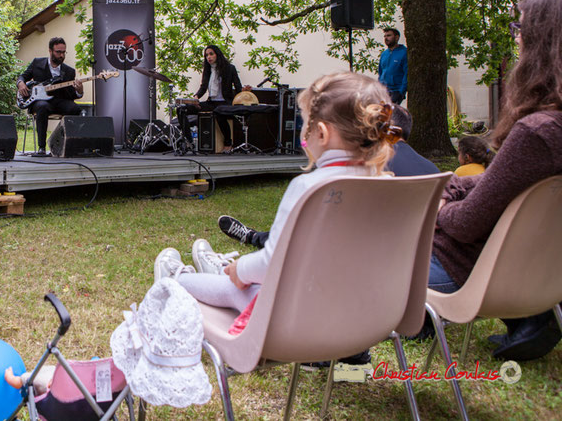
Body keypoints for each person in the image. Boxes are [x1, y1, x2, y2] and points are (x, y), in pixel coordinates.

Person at [154, 72, 398, 365]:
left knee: (234, 287)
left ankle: (179, 280)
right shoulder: (392, 188)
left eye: (304, 123)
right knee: (257, 283)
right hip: (368, 325)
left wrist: (242, 270)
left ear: (321, 133)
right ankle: (351, 369)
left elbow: (272, 262)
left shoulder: (310, 188)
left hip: (297, 328)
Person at [430, 0, 562, 360]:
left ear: (543, 39)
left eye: (519, 28)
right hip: (538, 275)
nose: (515, 39)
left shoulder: (538, 132)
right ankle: (531, 317)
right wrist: (458, 185)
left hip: (462, 270)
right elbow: (507, 185)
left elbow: (467, 224)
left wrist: (439, 210)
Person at [218, 104, 438, 249]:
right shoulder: (433, 171)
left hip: (360, 247)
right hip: (410, 252)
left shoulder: (366, 164)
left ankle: (255, 237)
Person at [17, 37, 83, 155]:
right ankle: (41, 147)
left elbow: (71, 95)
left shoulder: (69, 71)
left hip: (59, 102)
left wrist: (79, 91)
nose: (61, 55)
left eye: (63, 52)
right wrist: (20, 83)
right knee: (43, 107)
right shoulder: (37, 63)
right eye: (58, 52)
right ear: (50, 51)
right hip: (39, 101)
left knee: (76, 109)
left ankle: (64, 145)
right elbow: (22, 76)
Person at [176, 45, 244, 153]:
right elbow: (203, 87)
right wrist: (196, 98)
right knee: (181, 109)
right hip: (211, 102)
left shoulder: (230, 68)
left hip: (225, 103)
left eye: (211, 54)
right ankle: (189, 142)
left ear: (217, 54)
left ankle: (228, 142)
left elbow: (238, 87)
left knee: (219, 112)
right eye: (206, 55)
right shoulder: (208, 70)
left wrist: (244, 92)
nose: (209, 57)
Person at [378, 27, 408, 104]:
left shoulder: (404, 53)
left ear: (397, 37)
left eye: (389, 35)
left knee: (392, 114)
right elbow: (380, 72)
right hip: (383, 91)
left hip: (396, 91)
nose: (386, 38)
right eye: (385, 36)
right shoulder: (384, 54)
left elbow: (407, 73)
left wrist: (401, 91)